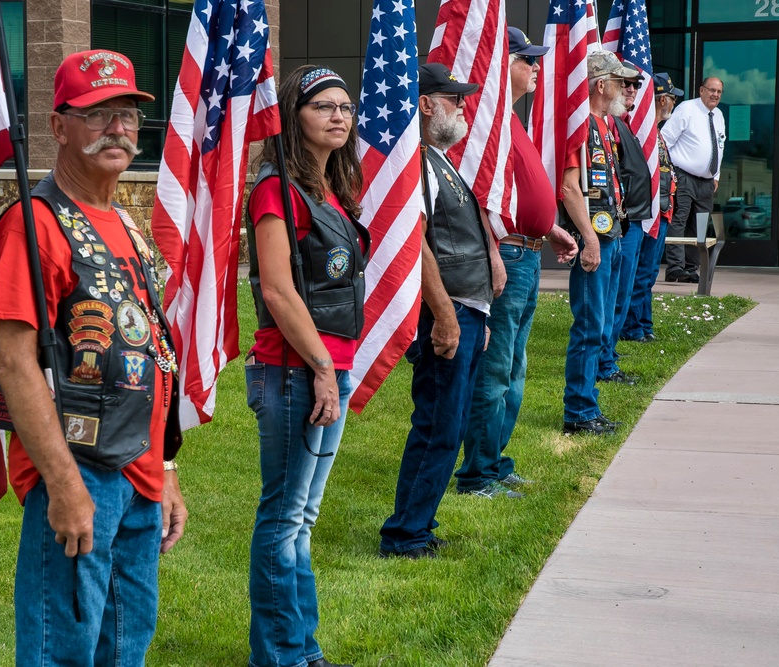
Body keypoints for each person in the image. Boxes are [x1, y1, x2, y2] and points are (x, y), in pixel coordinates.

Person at [0, 49, 187, 665]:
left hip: (141, 478)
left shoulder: (125, 221)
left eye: (127, 114)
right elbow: (15, 364)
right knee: (61, 652)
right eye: (98, 115)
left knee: (125, 650)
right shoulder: (34, 223)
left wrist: (168, 471)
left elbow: (152, 346)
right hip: (81, 472)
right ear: (58, 126)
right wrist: (65, 485)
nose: (118, 129)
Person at [245, 65, 369, 667]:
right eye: (324, 106)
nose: (339, 116)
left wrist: (333, 368)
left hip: (326, 368)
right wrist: (322, 368)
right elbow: (276, 290)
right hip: (295, 371)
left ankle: (302, 650)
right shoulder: (276, 190)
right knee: (284, 515)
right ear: (294, 115)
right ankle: (280, 656)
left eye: (345, 106)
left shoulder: (331, 193)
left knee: (304, 518)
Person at [379, 62, 498, 557]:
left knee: (449, 425)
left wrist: (481, 311)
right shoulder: (417, 162)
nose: (463, 104)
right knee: (438, 426)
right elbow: (416, 241)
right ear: (426, 103)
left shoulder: (439, 158)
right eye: (454, 97)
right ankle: (405, 535)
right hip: (443, 314)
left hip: (468, 310)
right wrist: (447, 315)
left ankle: (418, 524)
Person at [454, 27, 577, 498]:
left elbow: (518, 191)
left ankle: (495, 462)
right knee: (496, 368)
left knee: (514, 367)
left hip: (527, 249)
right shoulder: (486, 123)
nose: (536, 67)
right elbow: (473, 197)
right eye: (527, 60)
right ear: (502, 64)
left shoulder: (510, 120)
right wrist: (493, 250)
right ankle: (478, 473)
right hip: (507, 252)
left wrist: (550, 228)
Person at [558, 51, 638, 435]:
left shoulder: (605, 126)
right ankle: (579, 411)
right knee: (590, 325)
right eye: (620, 81)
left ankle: (588, 404)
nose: (626, 88)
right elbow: (569, 188)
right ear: (600, 84)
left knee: (603, 323)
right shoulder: (582, 127)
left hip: (613, 235)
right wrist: (589, 239)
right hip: (596, 241)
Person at [597, 72, 652, 386]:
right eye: (625, 84)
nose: (631, 89)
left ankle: (609, 356)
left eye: (635, 85)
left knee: (621, 294)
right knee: (613, 297)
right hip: (619, 221)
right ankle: (605, 363)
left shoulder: (622, 122)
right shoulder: (609, 124)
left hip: (631, 220)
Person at [622, 73, 682, 342]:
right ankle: (633, 328)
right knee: (642, 272)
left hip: (663, 210)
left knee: (649, 274)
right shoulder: (643, 132)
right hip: (650, 212)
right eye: (671, 97)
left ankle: (644, 324)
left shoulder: (656, 134)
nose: (673, 102)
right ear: (661, 100)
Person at [662, 76, 725, 283]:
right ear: (701, 90)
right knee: (679, 220)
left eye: (719, 92)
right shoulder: (687, 109)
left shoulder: (718, 116)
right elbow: (665, 140)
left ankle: (691, 268)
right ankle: (675, 268)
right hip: (683, 175)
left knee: (699, 226)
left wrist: (715, 176)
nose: (715, 94)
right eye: (711, 90)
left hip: (706, 182)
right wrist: (668, 172)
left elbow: (719, 146)